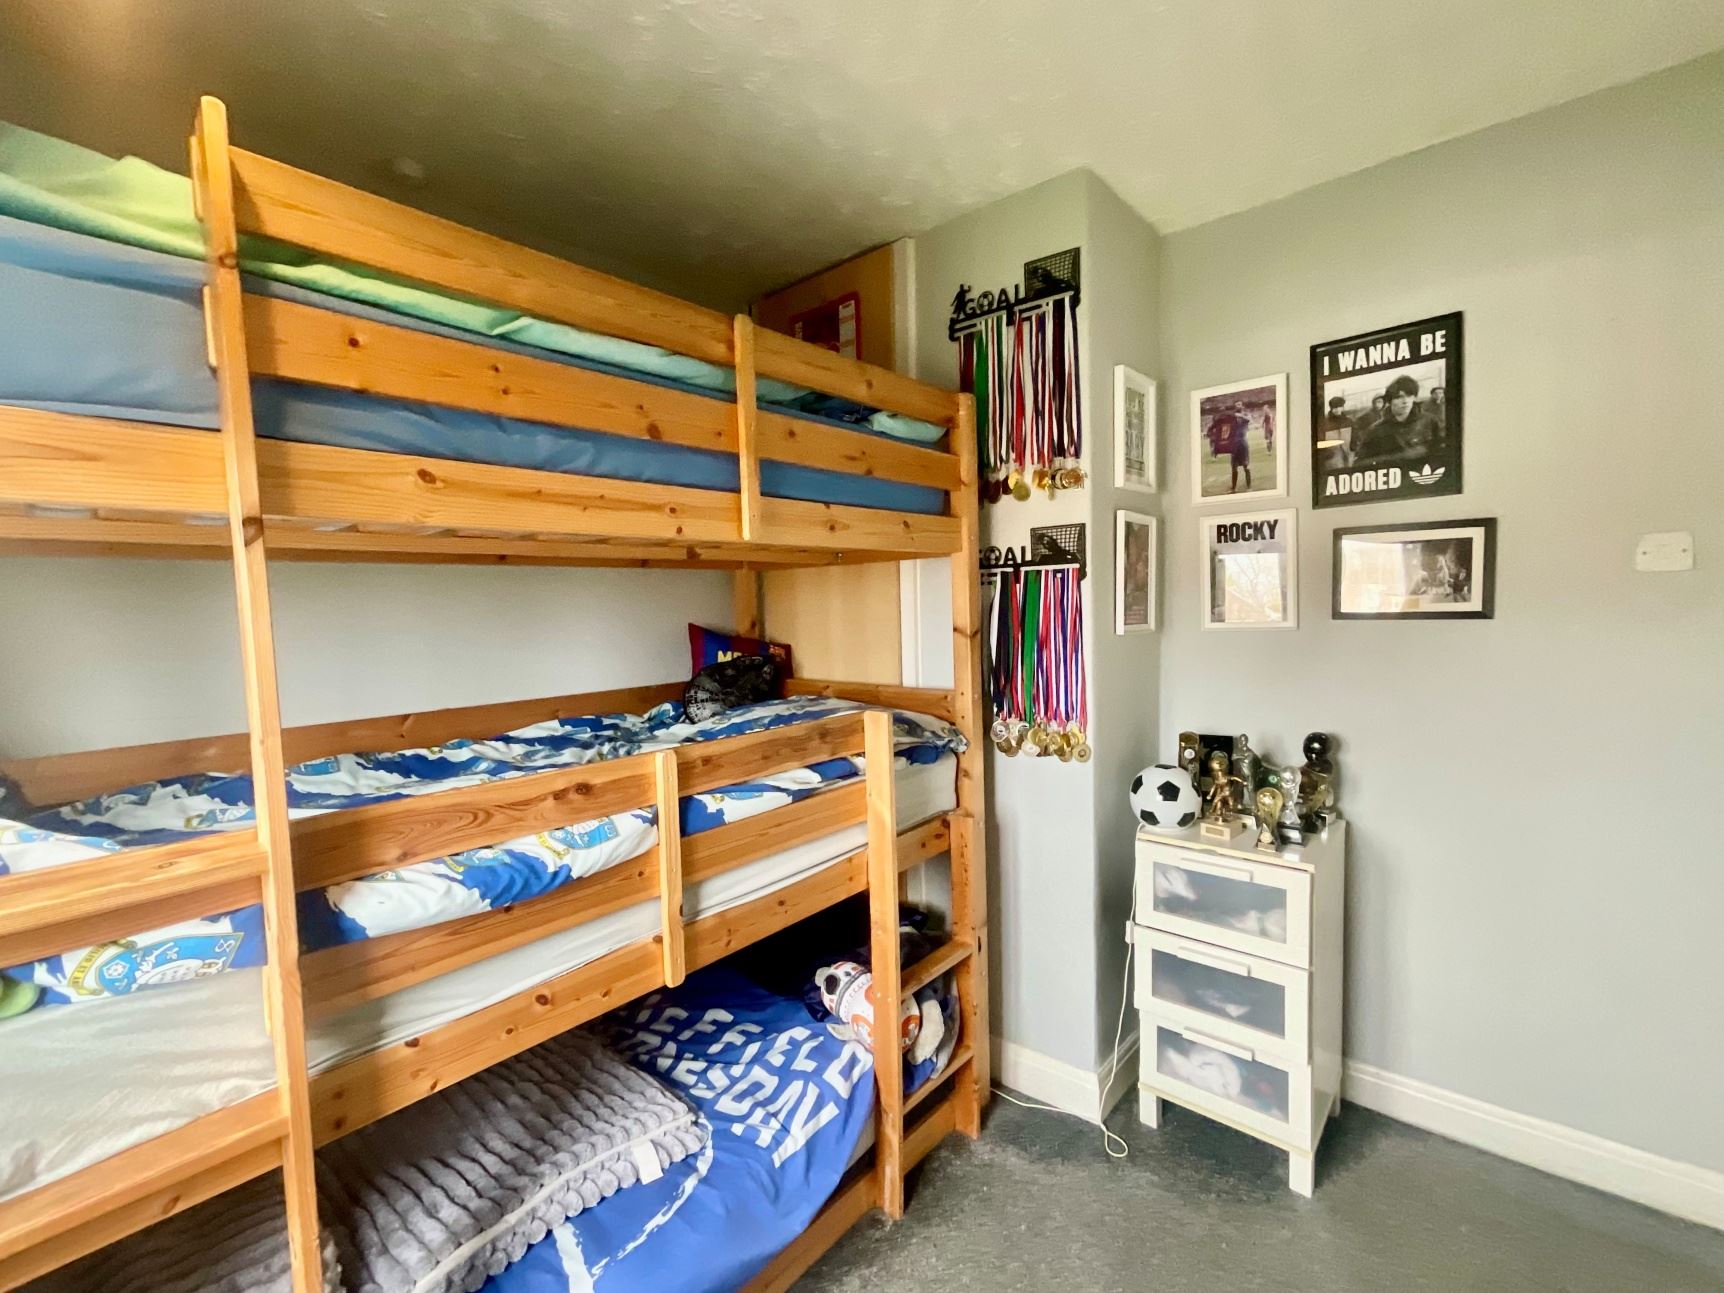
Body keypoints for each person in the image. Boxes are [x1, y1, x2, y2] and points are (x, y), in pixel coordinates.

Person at [1353, 374, 1437, 468]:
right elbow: (1360, 464)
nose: (1405, 401)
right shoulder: (1376, 431)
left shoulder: (1430, 421)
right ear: (1390, 400)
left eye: (1409, 395)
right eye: (1399, 397)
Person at [1319, 394, 1354, 470]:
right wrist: (1326, 453)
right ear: (1331, 408)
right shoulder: (1324, 424)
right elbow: (1320, 441)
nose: (1338, 409)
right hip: (1333, 459)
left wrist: (1354, 447)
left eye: (1340, 407)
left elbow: (1355, 435)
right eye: (1335, 407)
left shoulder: (1349, 421)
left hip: (1349, 455)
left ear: (1342, 407)